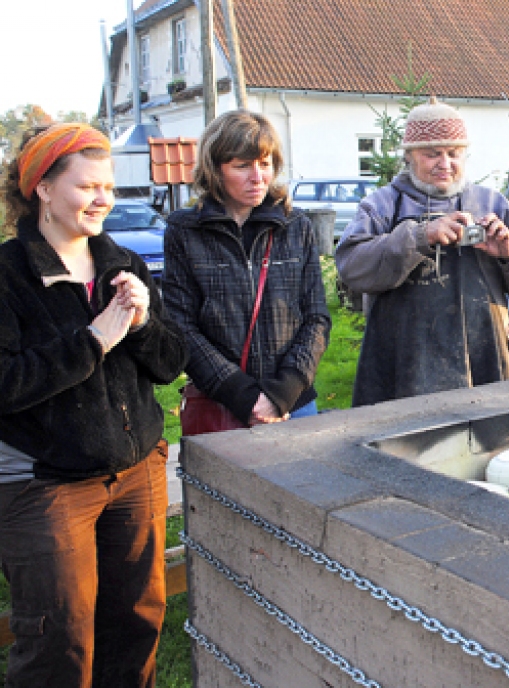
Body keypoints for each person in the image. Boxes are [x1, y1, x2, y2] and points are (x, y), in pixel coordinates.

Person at [0, 123, 188, 687]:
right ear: (43, 188)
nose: (103, 198)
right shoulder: (9, 275)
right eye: (87, 186)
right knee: (59, 639)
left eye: (109, 186)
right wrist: (94, 339)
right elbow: (6, 383)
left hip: (136, 472)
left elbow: (169, 363)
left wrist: (144, 321)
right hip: (45, 482)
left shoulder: (121, 260)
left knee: (136, 623)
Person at [335, 97, 509, 406]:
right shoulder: (383, 206)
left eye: (454, 153)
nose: (445, 163)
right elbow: (351, 266)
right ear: (409, 157)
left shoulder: (492, 204)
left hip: (484, 363)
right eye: (432, 154)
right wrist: (419, 236)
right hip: (401, 369)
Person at [163, 111, 331, 429]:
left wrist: (282, 392)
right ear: (216, 169)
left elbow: (316, 318)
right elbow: (180, 325)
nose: (257, 177)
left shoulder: (296, 226)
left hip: (293, 403)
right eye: (242, 166)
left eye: (264, 164)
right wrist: (243, 396)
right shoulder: (185, 230)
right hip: (221, 403)